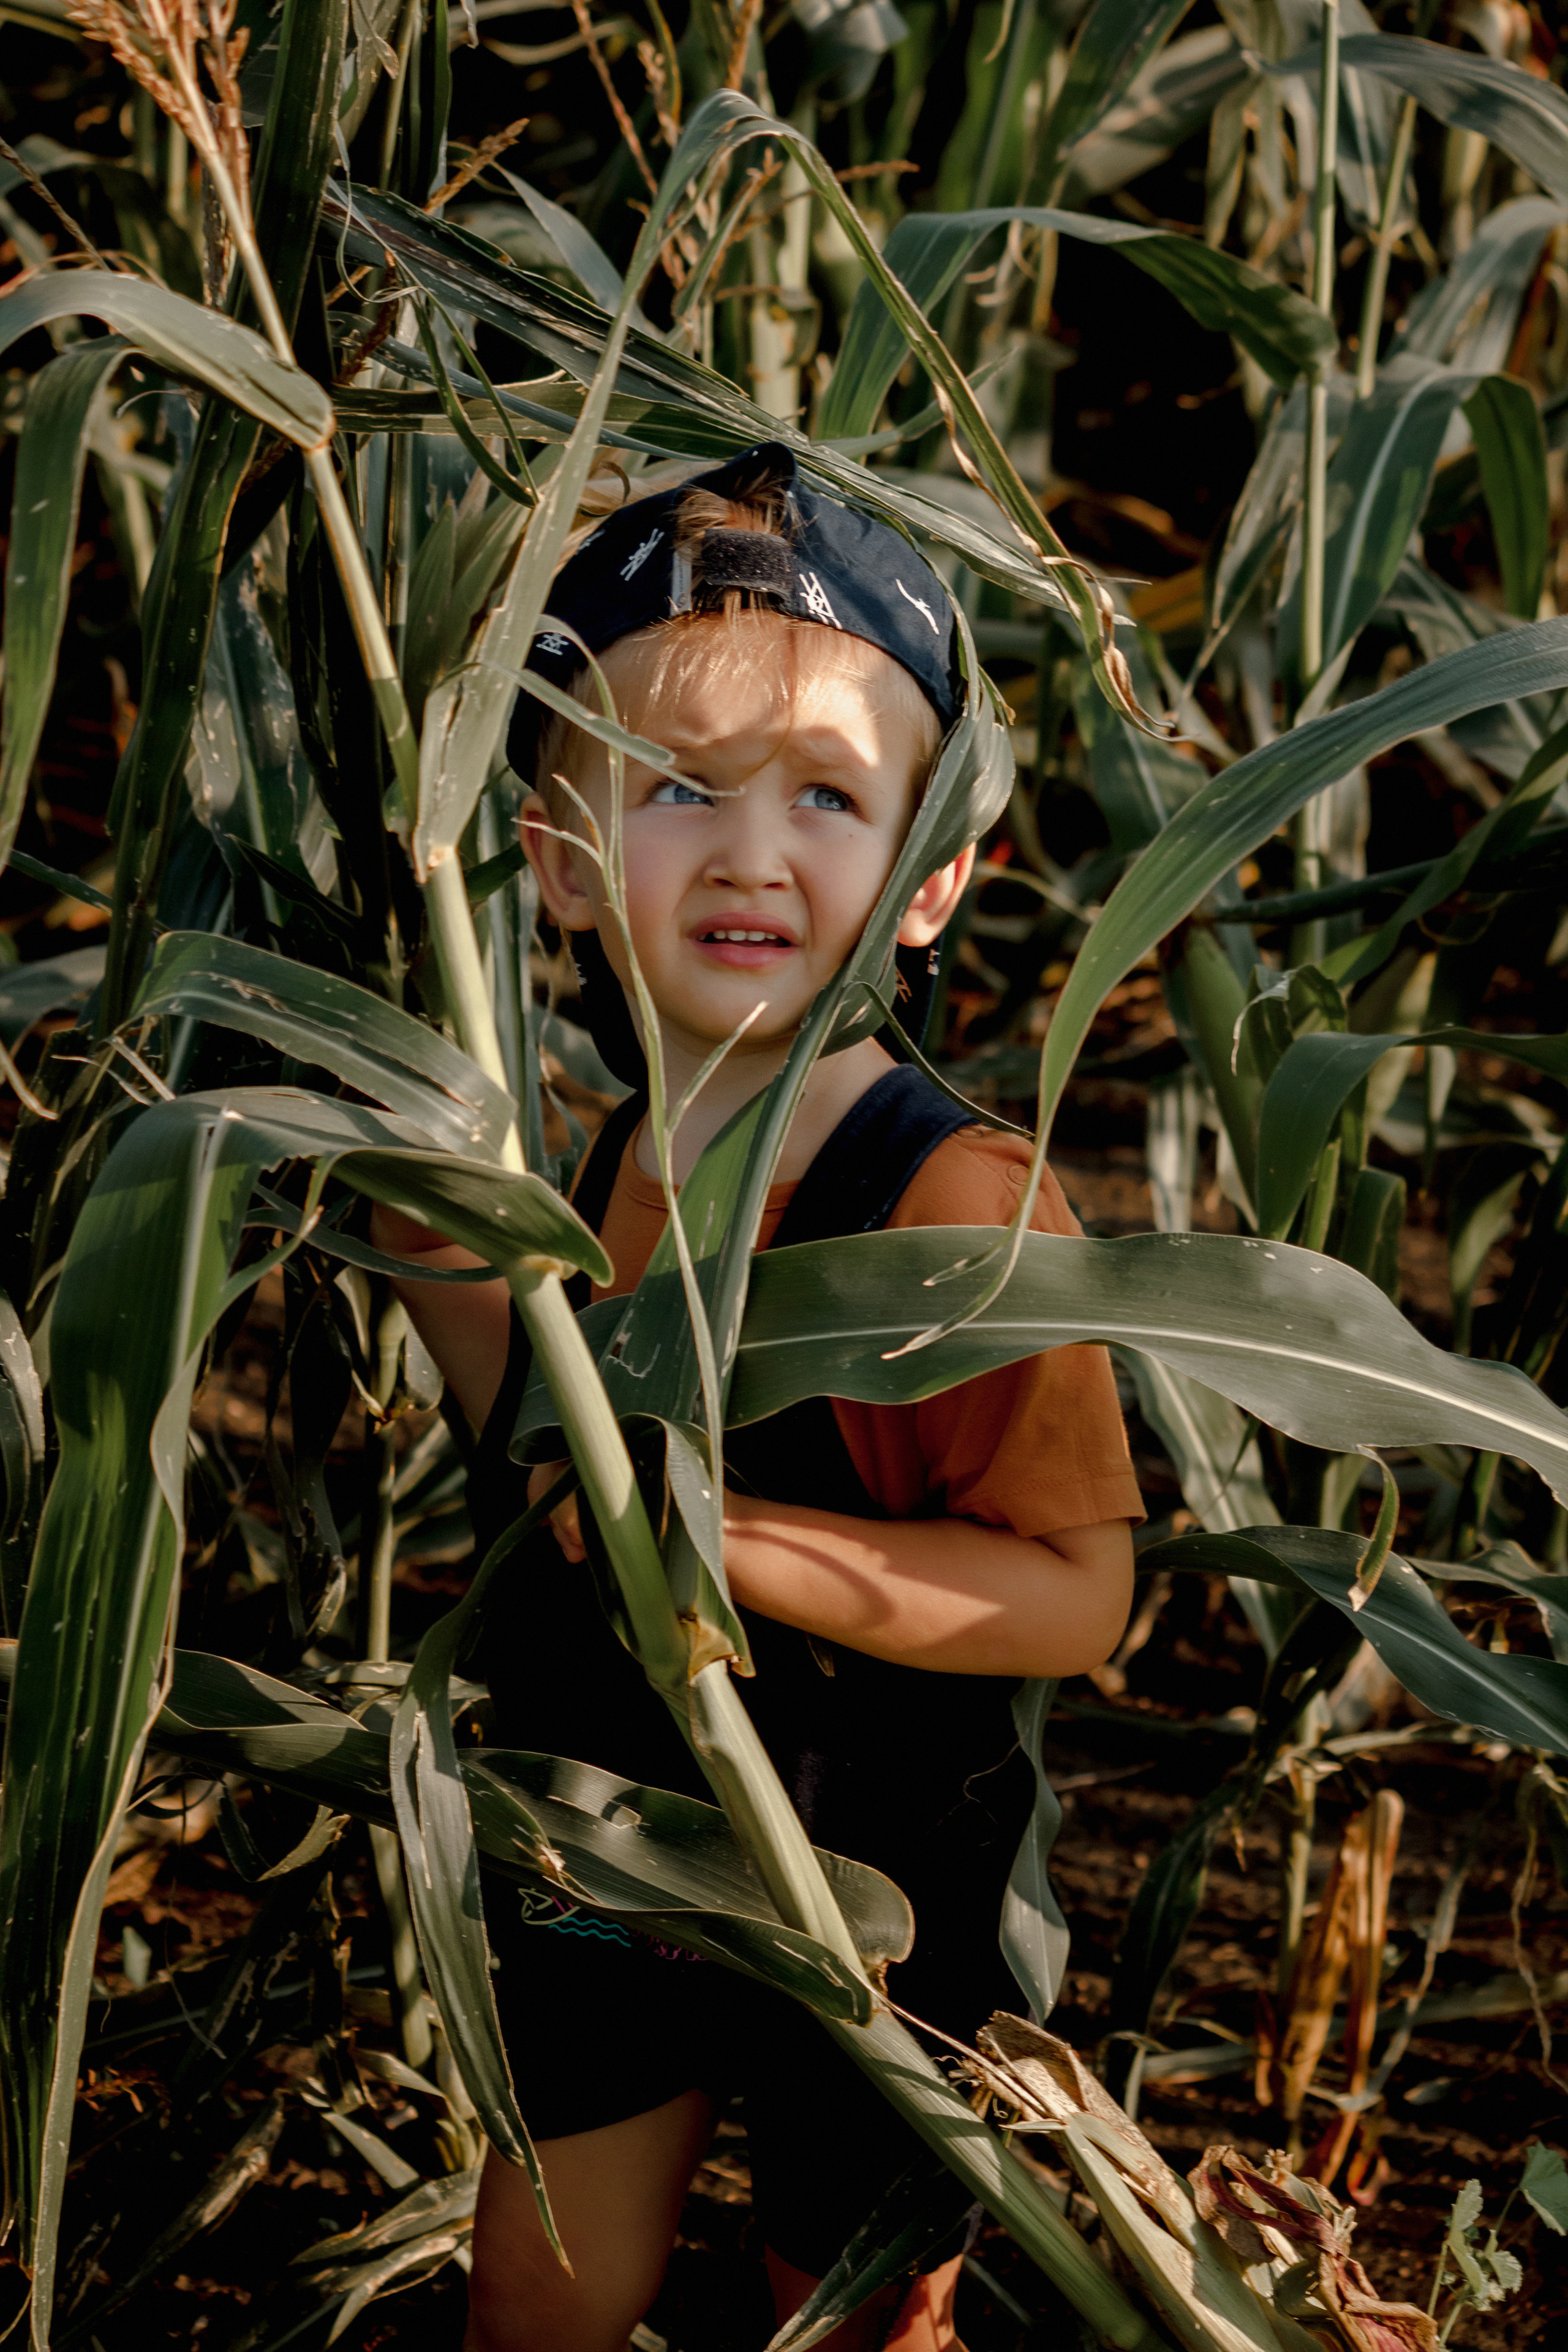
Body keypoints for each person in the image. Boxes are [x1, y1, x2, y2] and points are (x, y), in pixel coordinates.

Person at [374, 443, 1142, 2352]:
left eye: (827, 797)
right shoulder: (615, 1149)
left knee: (860, 2308)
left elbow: (1077, 1594)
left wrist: (739, 1548)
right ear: (552, 862)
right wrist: (435, 1255)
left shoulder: (957, 1209)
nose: (751, 851)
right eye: (677, 795)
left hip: (874, 1897)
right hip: (616, 1838)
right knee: (543, 2284)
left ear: (932, 873)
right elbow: (548, 1445)